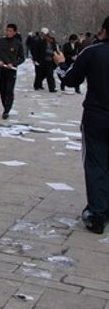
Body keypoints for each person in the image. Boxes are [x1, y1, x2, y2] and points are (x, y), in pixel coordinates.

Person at [53, 16, 109, 234]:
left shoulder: (93, 52)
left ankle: (97, 214)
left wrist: (60, 63)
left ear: (103, 30)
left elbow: (70, 79)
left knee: (96, 164)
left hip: (96, 118)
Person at [0, 23, 25, 119]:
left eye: (10, 31)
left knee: (9, 90)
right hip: (2, 69)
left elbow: (22, 58)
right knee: (2, 90)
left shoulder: (18, 43)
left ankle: (7, 110)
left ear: (14, 32)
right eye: (7, 30)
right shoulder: (1, 41)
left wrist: (13, 64)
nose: (8, 32)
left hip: (11, 70)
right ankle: (5, 106)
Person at [33, 28, 58, 92]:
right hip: (41, 60)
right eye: (43, 34)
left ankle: (52, 88)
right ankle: (37, 85)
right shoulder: (38, 40)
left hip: (50, 60)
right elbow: (35, 50)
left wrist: (55, 54)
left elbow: (54, 48)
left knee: (50, 74)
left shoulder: (52, 40)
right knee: (40, 74)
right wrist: (35, 59)